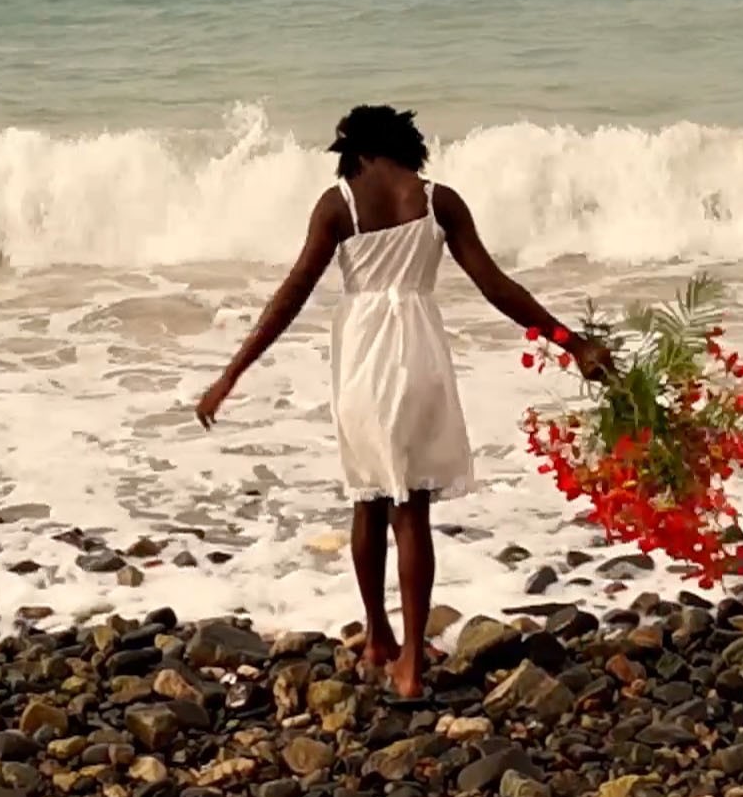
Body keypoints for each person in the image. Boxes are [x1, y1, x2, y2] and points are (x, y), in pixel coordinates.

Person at [195, 104, 610, 699]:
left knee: (367, 496)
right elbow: (497, 287)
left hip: (362, 359)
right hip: (419, 355)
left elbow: (291, 296)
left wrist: (230, 375)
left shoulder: (339, 204)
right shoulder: (439, 200)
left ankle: (382, 639)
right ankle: (406, 654)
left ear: (358, 151)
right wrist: (571, 343)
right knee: (411, 508)